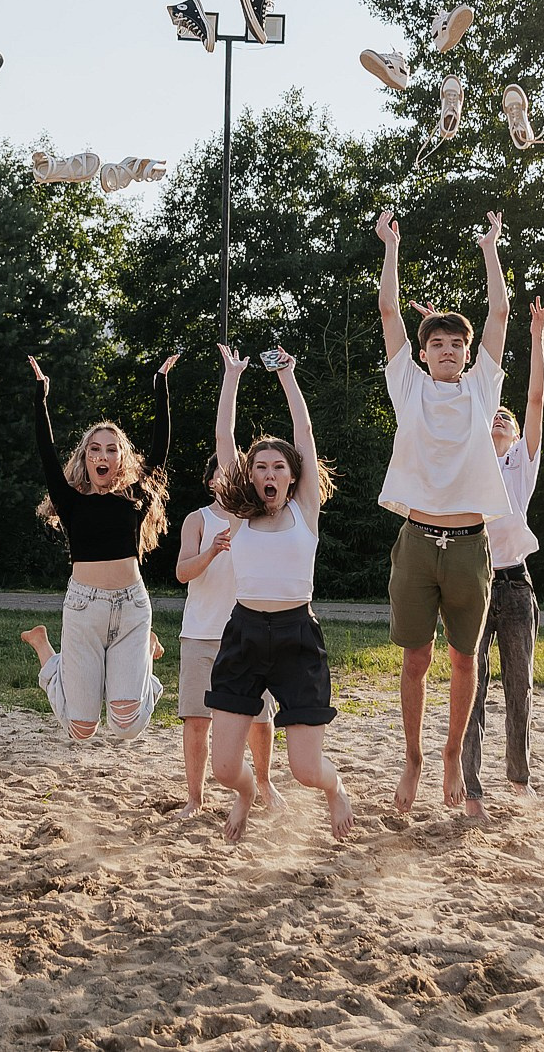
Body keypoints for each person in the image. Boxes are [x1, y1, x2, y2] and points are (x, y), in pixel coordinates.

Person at [374, 208, 516, 815]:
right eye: (438, 343)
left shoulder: (482, 389)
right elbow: (389, 312)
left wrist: (490, 248)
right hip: (415, 540)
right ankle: (412, 759)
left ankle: (452, 754)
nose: (449, 350)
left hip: (469, 544)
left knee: (464, 659)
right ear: (425, 352)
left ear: (467, 352)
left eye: (457, 343)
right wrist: (391, 245)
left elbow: (500, 314)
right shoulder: (408, 386)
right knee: (416, 659)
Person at [206, 346, 353, 843]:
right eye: (261, 467)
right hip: (244, 633)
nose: (269, 474)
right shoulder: (238, 515)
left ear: (293, 476)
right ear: (250, 475)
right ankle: (247, 793)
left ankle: (336, 789)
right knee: (224, 769)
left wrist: (288, 376)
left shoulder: (305, 510)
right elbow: (224, 439)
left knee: (307, 770)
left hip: (297, 637)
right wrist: (232, 377)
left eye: (278, 467)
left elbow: (304, 433)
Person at [16, 352, 178, 742]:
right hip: (84, 609)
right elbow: (45, 451)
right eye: (95, 449)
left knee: (127, 727)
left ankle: (145, 657)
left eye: (111, 449)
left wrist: (160, 385)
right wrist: (40, 397)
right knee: (81, 729)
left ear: (121, 458)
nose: (102, 455)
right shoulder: (69, 500)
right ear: (85, 457)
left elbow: (159, 450)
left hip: (132, 607)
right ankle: (44, 650)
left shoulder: (135, 497)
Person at [461, 295, 544, 820]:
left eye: (508, 418)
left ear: (517, 436)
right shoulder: (472, 458)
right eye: (494, 415)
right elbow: (465, 398)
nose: (501, 416)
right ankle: (471, 789)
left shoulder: (521, 464)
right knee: (471, 691)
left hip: (517, 586)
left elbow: (536, 397)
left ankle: (519, 779)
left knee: (519, 687)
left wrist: (537, 334)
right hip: (473, 585)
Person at [173, 435, 283, 819]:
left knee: (260, 718)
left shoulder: (259, 518)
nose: (234, 475)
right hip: (200, 634)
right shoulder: (197, 520)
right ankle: (195, 799)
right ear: (211, 481)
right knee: (197, 721)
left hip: (250, 633)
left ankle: (264, 782)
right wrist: (212, 550)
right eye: (225, 470)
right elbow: (182, 572)